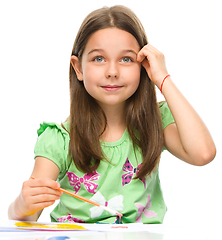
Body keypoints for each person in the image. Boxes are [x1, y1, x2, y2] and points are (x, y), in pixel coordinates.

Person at [8, 5, 216, 224]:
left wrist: (162, 78)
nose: (112, 71)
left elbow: (203, 154)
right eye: (99, 59)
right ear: (78, 68)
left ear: (143, 66)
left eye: (126, 59)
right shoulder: (59, 139)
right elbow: (26, 216)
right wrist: (22, 204)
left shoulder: (156, 122)